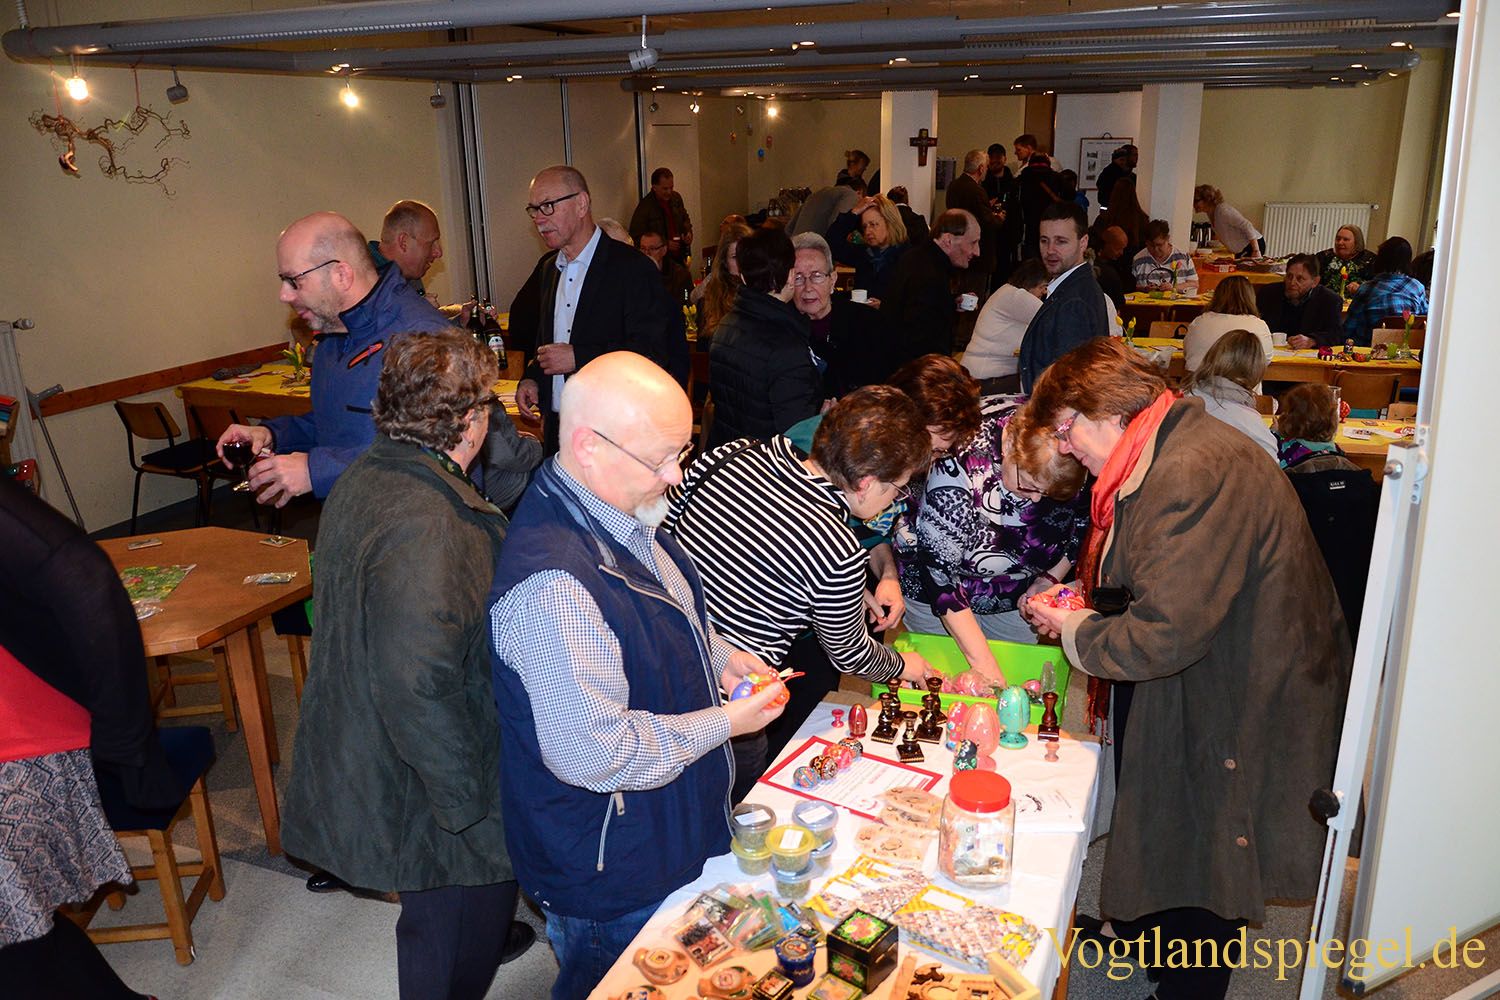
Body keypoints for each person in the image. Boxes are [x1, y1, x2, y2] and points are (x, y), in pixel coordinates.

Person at [1021, 338, 1349, 1000]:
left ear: (1108, 411)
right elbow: (1162, 575)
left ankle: (1189, 989)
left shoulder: (1189, 471)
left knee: (1210, 842)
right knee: (1167, 814)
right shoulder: (1166, 444)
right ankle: (1149, 936)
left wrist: (1076, 628)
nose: (1065, 446)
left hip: (1246, 683)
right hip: (1219, 656)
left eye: (1066, 428)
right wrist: (1090, 603)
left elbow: (1164, 634)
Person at [488, 352, 787, 1000]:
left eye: (683, 452)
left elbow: (657, 618)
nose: (676, 475)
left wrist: (722, 657)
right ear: (588, 446)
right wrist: (726, 723)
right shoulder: (554, 587)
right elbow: (596, 754)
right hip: (611, 864)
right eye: (660, 459)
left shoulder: (621, 509)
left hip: (659, 826)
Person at [282, 330, 533, 999]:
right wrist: (469, 806)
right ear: (471, 420)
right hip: (433, 776)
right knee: (458, 924)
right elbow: (417, 683)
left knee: (433, 921)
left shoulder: (373, 474)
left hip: (382, 748)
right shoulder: (433, 522)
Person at [664, 386, 936, 792]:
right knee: (720, 808)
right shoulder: (837, 546)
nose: (893, 499)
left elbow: (664, 537)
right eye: (896, 488)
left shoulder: (731, 454)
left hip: (661, 661)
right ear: (865, 483)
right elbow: (849, 652)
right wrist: (902, 665)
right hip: (730, 705)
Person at [0, 477, 179, 1000]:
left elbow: (81, 574)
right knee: (20, 931)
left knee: (18, 936)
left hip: (18, 743)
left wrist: (126, 741)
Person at [217, 211, 449, 507]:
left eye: (294, 281)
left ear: (341, 274)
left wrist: (315, 471)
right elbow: (335, 426)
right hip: (355, 515)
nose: (284, 295)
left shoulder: (422, 337)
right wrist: (272, 434)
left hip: (420, 522)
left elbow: (434, 455)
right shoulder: (333, 334)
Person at [889, 357, 1089, 681]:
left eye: (1050, 494)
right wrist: (984, 666)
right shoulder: (958, 461)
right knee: (945, 684)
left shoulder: (1074, 446)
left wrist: (1049, 578)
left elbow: (1082, 522)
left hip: (1015, 591)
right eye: (1029, 486)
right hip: (935, 584)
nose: (1036, 500)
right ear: (1009, 448)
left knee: (1016, 682)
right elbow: (939, 575)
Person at [515, 165, 684, 451]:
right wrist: (533, 379)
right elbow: (546, 346)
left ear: (581, 204)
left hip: (613, 436)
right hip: (560, 432)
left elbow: (651, 354)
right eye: (534, 210)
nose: (539, 220)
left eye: (548, 206)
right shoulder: (549, 269)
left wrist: (578, 357)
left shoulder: (632, 268)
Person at [1274, 383, 1379, 640]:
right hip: (1352, 582)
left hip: (1301, 576)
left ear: (1286, 419)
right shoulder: (1358, 476)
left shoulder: (1281, 464)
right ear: (1333, 422)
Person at [706, 226, 821, 448]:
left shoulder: (725, 325)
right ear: (791, 275)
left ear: (742, 276)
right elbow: (796, 436)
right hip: (765, 464)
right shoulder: (786, 347)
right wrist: (820, 421)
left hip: (729, 456)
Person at [1017, 202, 1110, 393]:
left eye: (1061, 241)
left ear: (1083, 242)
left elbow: (1069, 385)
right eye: (1044, 241)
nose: (1050, 250)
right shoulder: (1073, 287)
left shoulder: (1075, 301)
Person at [791, 232, 899, 396]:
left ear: (832, 280)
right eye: (798, 278)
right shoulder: (783, 331)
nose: (808, 287)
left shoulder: (868, 323)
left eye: (817, 276)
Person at [881, 209, 982, 364]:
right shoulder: (930, 275)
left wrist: (951, 302)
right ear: (948, 240)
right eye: (973, 243)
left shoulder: (917, 258)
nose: (977, 252)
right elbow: (922, 340)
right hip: (914, 370)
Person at [1181, 329, 1277, 458]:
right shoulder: (1252, 425)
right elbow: (1271, 465)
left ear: (1211, 357)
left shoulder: (1179, 401)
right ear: (1256, 370)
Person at [964, 259, 1048, 385]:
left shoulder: (1006, 292)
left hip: (980, 373)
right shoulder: (1017, 296)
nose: (1045, 292)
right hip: (987, 377)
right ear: (1032, 282)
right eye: (1043, 286)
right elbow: (1054, 318)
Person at [1342, 236, 1429, 347]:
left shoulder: (1366, 289)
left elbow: (1350, 327)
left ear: (1380, 258)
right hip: (1407, 347)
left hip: (1370, 348)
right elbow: (1424, 319)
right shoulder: (1416, 287)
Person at [826, 193, 911, 302]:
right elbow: (831, 244)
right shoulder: (865, 254)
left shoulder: (908, 258)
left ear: (890, 223)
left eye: (873, 224)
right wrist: (854, 212)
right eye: (864, 226)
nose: (867, 232)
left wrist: (884, 306)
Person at [1182, 275, 1272, 371]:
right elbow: (1266, 359)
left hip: (1199, 379)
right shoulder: (1259, 325)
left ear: (1216, 296)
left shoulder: (1200, 322)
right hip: (1242, 380)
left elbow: (1187, 352)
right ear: (1251, 298)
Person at [945, 149, 1005, 293]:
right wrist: (999, 218)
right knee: (975, 295)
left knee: (958, 292)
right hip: (977, 255)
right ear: (981, 168)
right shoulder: (977, 191)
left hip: (956, 248)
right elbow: (986, 222)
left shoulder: (954, 185)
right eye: (986, 167)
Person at [1256, 253, 1344, 348]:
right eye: (1289, 276)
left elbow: (1336, 335)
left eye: (1300, 279)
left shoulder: (1329, 300)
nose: (1292, 283)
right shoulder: (1268, 293)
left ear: (1315, 282)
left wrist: (1312, 341)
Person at [369, 199, 444, 300]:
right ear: (404, 242)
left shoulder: (408, 272)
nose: (439, 252)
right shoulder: (362, 280)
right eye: (431, 243)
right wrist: (418, 308)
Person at [695, 218, 753, 347]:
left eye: (745, 254)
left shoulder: (765, 295)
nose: (741, 262)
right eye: (735, 257)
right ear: (724, 262)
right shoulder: (708, 302)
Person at [628, 166, 693, 264]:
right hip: (660, 260)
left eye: (671, 187)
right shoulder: (645, 207)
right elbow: (636, 237)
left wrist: (688, 232)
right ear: (654, 187)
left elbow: (685, 218)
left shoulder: (676, 198)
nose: (669, 192)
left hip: (680, 256)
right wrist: (664, 244)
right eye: (665, 189)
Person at [1193, 184, 1265, 257]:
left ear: (1207, 199)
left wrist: (1256, 250)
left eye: (1196, 201)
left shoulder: (1223, 210)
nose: (1193, 204)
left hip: (1252, 246)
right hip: (1243, 248)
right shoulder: (1211, 213)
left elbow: (1247, 225)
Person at [1131, 219, 1198, 294]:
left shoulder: (1183, 257)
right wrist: (1145, 289)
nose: (1156, 249)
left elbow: (1194, 284)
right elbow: (1131, 288)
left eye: (1159, 245)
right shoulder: (1138, 259)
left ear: (1167, 239)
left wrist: (1173, 287)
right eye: (1151, 245)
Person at [1016, 151, 1062, 260]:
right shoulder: (1055, 177)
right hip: (1051, 221)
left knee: (1031, 255)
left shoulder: (1024, 177)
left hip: (1029, 223)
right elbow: (1070, 194)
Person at [1315, 224, 1377, 295]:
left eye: (1345, 239)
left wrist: (1361, 288)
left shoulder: (1370, 260)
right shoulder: (1323, 257)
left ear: (1356, 242)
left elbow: (1377, 288)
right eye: (1338, 239)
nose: (1340, 243)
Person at [789, 177, 863, 237]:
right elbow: (836, 228)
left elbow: (788, 228)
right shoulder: (850, 194)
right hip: (813, 247)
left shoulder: (815, 194)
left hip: (795, 244)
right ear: (859, 192)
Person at [637, 230, 693, 305]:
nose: (646, 253)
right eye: (643, 248)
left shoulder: (680, 275)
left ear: (664, 250)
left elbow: (682, 307)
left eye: (652, 248)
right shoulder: (635, 272)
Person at [1092, 225, 1134, 310]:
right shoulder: (1105, 271)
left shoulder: (1122, 264)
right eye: (1118, 248)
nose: (1121, 253)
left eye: (1123, 249)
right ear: (1107, 244)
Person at [1094, 144, 1136, 210]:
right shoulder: (1115, 173)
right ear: (1115, 160)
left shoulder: (1108, 171)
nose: (1123, 162)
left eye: (1124, 160)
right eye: (1121, 160)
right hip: (1112, 208)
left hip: (1107, 208)